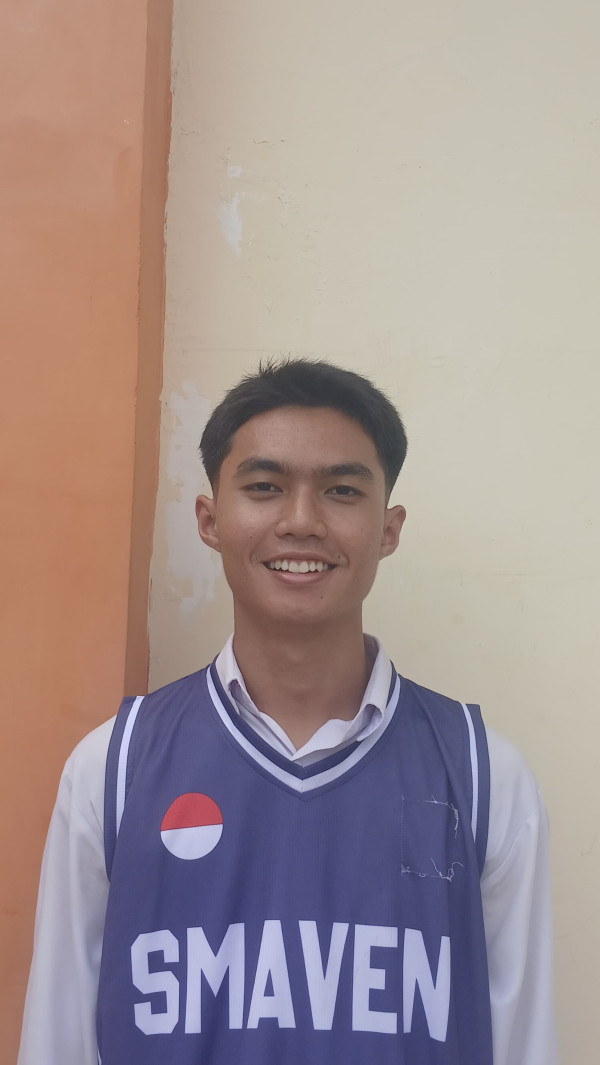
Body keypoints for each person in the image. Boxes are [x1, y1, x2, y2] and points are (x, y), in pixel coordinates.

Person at [18, 359, 558, 1064]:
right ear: (210, 520)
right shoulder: (112, 769)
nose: (302, 521)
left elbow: (523, 1045)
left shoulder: (486, 778)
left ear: (388, 528)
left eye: (341, 490)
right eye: (265, 487)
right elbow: (57, 1044)